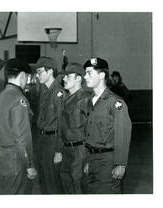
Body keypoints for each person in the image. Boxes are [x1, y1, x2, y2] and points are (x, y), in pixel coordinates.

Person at [82, 57, 132, 194]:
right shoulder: (89, 101)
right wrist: (88, 160)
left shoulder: (115, 102)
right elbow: (89, 133)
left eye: (89, 73)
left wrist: (120, 164)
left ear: (102, 75)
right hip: (92, 159)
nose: (85, 77)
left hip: (107, 161)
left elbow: (123, 134)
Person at [0, 58, 37, 194]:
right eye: (27, 77)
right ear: (22, 76)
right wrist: (30, 165)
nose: (26, 80)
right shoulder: (19, 100)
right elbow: (22, 138)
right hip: (15, 163)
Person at [35, 56, 66, 194]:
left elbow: (62, 123)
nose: (38, 75)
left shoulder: (58, 92)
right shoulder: (45, 91)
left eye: (40, 71)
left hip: (52, 141)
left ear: (50, 72)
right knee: (43, 180)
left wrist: (59, 150)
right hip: (42, 140)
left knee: (52, 181)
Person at [59, 63, 90, 194]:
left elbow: (92, 130)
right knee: (67, 185)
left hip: (80, 151)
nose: (64, 79)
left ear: (78, 79)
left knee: (79, 188)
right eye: (64, 76)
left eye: (68, 76)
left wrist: (89, 160)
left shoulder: (85, 99)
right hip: (67, 150)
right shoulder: (67, 99)